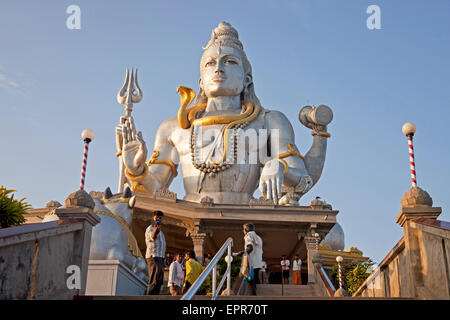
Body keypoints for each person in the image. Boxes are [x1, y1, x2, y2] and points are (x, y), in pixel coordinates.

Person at [233, 223, 264, 295]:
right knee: (255, 280)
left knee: (250, 281)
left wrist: (241, 253)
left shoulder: (248, 235)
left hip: (251, 263)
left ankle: (252, 297)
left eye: (243, 229)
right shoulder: (258, 237)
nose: (243, 231)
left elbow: (250, 248)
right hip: (258, 262)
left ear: (246, 230)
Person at [145, 210, 166, 295]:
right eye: (156, 217)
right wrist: (155, 232)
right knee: (154, 279)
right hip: (153, 257)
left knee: (159, 280)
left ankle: (156, 297)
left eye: (160, 218)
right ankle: (149, 297)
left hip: (160, 257)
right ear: (153, 218)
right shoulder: (150, 229)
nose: (158, 219)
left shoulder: (161, 232)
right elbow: (152, 237)